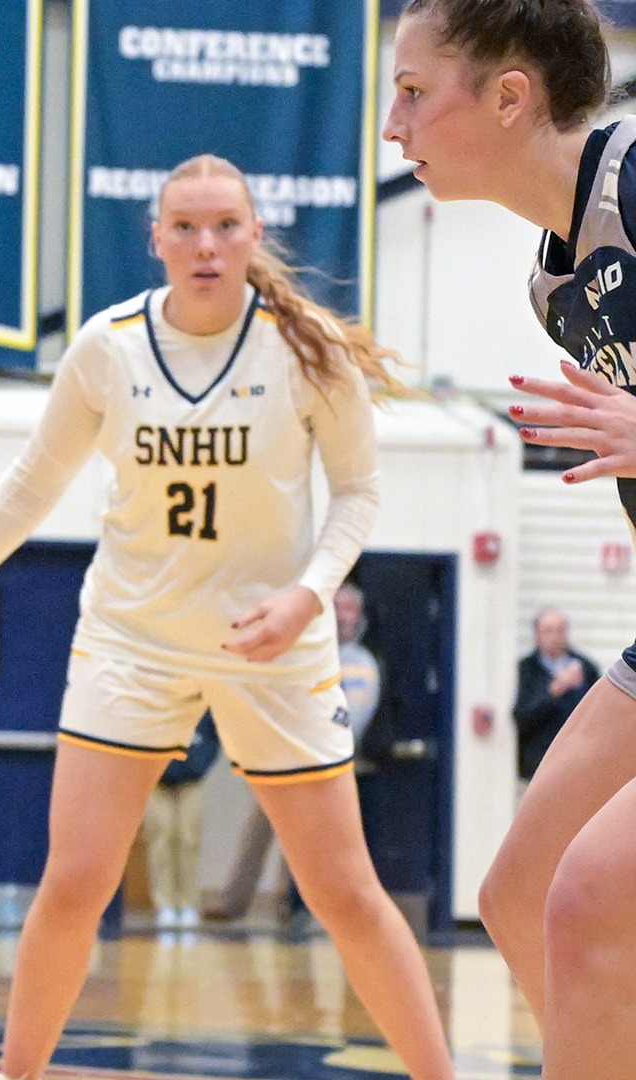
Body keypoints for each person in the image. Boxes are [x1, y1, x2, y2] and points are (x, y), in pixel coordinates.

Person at [0, 154, 455, 1080]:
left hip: (273, 641)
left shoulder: (307, 349)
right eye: (185, 226)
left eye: (226, 225)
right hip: (131, 642)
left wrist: (309, 593)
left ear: (256, 235)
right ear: (156, 239)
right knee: (75, 883)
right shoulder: (108, 346)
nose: (207, 244)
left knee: (344, 891)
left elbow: (359, 495)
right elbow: (30, 488)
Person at [383, 4, 636, 1073]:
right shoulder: (553, 280)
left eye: (410, 91)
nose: (394, 127)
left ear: (509, 94)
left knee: (582, 901)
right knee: (520, 894)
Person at [140, 712, 218, 930]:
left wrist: (199, 764)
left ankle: (188, 903)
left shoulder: (204, 701)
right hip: (156, 779)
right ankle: (164, 904)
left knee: (188, 838)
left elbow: (215, 736)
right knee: (160, 837)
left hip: (192, 779)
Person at [512, 607, 599, 787]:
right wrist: (554, 690)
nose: (555, 636)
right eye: (548, 630)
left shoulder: (585, 667)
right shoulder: (526, 669)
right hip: (538, 764)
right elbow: (522, 716)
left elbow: (598, 713)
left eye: (560, 630)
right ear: (537, 635)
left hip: (577, 762)